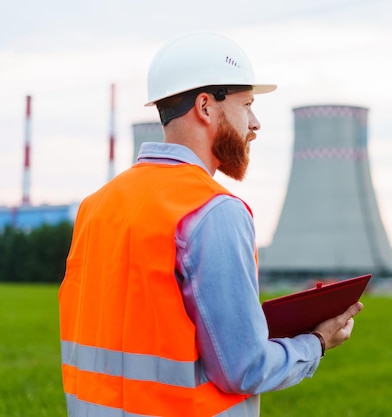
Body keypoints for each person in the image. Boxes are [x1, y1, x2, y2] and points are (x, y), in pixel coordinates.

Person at [58, 31, 363, 417]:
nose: (255, 124)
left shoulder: (96, 206)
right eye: (247, 105)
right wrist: (316, 342)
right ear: (205, 106)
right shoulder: (213, 211)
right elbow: (243, 369)